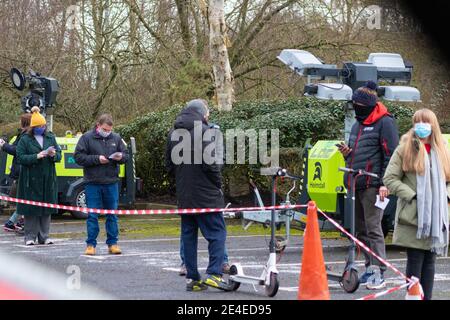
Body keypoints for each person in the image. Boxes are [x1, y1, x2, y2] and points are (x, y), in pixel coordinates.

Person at [337, 81, 399, 290]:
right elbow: (358, 154)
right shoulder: (357, 124)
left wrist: (384, 183)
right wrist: (347, 154)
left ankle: (379, 272)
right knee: (360, 230)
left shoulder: (385, 123)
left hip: (374, 185)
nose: (355, 107)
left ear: (368, 104)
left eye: (358, 104)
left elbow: (392, 156)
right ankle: (369, 268)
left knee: (374, 229)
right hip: (356, 183)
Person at [383, 108, 450, 300]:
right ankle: (413, 297)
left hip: (437, 217)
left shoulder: (443, 149)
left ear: (434, 125)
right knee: (415, 260)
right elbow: (390, 179)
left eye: (426, 121)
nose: (421, 126)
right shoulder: (404, 148)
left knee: (430, 262)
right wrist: (413, 196)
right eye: (418, 121)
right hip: (413, 217)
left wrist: (445, 196)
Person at [165, 99, 229, 292]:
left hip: (185, 195)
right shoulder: (206, 132)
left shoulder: (173, 133)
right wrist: (217, 184)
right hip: (206, 195)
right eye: (207, 113)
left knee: (189, 237)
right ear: (202, 114)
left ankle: (193, 279)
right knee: (217, 234)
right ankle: (214, 274)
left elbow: (169, 166)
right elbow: (211, 165)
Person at [74, 114, 129, 256]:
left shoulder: (116, 138)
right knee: (92, 215)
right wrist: (97, 159)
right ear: (98, 125)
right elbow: (78, 157)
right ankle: (91, 245)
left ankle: (113, 243)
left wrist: (121, 157)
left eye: (110, 130)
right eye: (105, 129)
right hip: (93, 182)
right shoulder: (86, 138)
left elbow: (126, 155)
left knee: (112, 215)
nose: (107, 132)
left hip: (111, 182)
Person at [16, 105, 61, 245]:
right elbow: (20, 158)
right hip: (30, 179)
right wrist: (37, 156)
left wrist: (53, 155)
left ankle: (45, 236)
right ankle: (30, 237)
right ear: (33, 127)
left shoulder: (50, 137)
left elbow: (59, 155)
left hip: (47, 178)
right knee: (31, 209)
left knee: (46, 209)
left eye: (43, 125)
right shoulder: (24, 140)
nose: (42, 128)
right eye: (39, 126)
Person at [1, 113, 32, 234]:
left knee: (24, 199)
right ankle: (13, 222)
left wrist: (4, 146)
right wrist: (5, 145)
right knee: (25, 200)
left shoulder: (24, 135)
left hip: (18, 170)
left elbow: (15, 150)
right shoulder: (24, 136)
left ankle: (18, 222)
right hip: (22, 171)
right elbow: (16, 150)